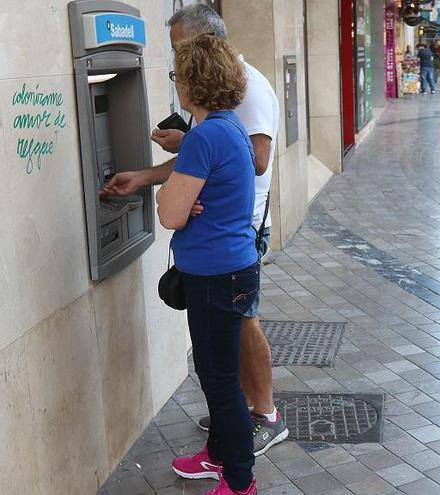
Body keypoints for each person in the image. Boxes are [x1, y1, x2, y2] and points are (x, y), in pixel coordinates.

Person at [101, 4, 287, 467]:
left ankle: (248, 444)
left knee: (224, 365)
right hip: (226, 249)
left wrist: (190, 180)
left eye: (180, 57)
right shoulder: (221, 120)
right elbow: (217, 164)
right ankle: (228, 440)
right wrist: (174, 175)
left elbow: (248, 165)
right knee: (219, 367)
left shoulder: (239, 108)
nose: (175, 69)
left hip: (227, 247)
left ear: (204, 53)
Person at [160, 33, 257, 495]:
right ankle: (217, 456)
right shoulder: (229, 126)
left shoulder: (203, 138)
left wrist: (170, 196)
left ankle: (239, 482)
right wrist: (188, 195)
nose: (177, 83)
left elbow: (170, 214)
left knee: (219, 380)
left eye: (178, 74)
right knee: (218, 370)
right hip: (235, 267)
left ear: (191, 83)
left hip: (214, 277)